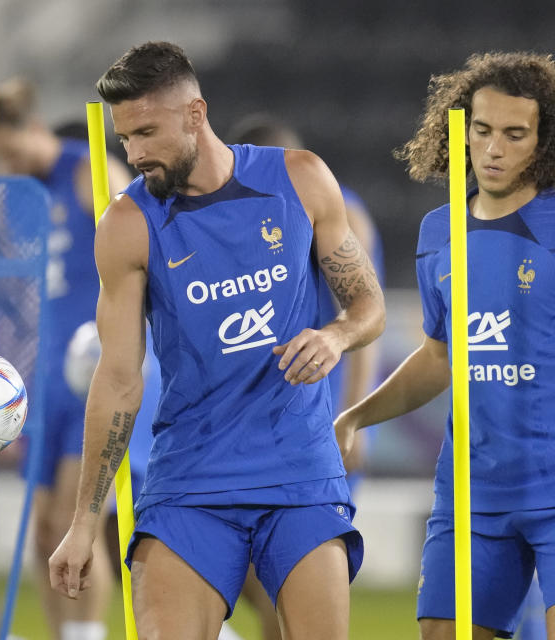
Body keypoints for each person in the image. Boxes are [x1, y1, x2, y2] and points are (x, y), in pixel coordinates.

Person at [334, 51, 555, 640]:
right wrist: (353, 418)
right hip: (473, 494)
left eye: (515, 135)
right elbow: (441, 356)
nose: (494, 148)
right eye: (483, 130)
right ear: (463, 131)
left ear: (544, 143)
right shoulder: (436, 234)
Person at [48, 41, 385, 640]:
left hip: (299, 473)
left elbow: (368, 307)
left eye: (147, 132)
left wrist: (336, 337)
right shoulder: (126, 226)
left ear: (196, 115)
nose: (135, 153)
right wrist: (81, 521)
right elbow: (119, 379)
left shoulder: (299, 179)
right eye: (125, 138)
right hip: (190, 482)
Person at [0, 79, 131, 640]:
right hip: (45, 385)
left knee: (76, 521)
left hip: (94, 374)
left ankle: (86, 635)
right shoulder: (20, 200)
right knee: (42, 531)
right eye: (2, 162)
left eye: (14, 154)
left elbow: (140, 252)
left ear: (35, 130)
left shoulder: (86, 170)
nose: (11, 168)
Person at [226, 114, 385, 640]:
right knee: (261, 573)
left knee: (297, 574)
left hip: (324, 421)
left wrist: (353, 414)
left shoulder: (339, 212)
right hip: (277, 414)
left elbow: (365, 318)